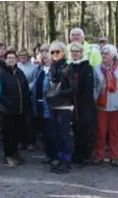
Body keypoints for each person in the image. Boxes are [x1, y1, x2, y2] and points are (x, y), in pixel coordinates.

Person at [93, 44, 118, 167]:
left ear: (113, 55)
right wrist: (95, 98)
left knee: (114, 131)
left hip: (116, 105)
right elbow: (94, 85)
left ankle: (114, 157)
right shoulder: (97, 68)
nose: (104, 55)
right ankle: (99, 156)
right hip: (101, 105)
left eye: (106, 53)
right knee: (101, 132)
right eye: (102, 53)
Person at [44, 41, 76, 174]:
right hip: (53, 105)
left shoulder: (68, 68)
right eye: (52, 52)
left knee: (64, 134)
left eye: (57, 51)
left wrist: (59, 93)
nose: (55, 54)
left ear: (63, 52)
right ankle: (59, 157)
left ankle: (67, 161)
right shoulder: (52, 68)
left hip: (65, 105)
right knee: (55, 134)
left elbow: (74, 88)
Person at [0, 50, 30, 166]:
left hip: (20, 110)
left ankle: (15, 153)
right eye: (8, 58)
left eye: (13, 57)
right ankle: (8, 155)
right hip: (8, 110)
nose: (11, 59)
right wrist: (5, 104)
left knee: (17, 133)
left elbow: (25, 89)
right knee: (8, 134)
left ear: (16, 59)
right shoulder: (2, 73)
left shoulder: (19, 72)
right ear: (5, 60)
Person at [68, 42, 95, 168]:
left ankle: (83, 156)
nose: (74, 53)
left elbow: (88, 89)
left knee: (84, 131)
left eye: (77, 51)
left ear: (81, 53)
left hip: (84, 105)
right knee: (76, 131)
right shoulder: (70, 67)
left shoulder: (87, 67)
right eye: (72, 51)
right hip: (72, 104)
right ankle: (77, 154)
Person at [31, 53, 52, 164]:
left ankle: (55, 156)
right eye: (44, 58)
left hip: (48, 106)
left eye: (48, 57)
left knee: (51, 132)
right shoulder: (40, 71)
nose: (46, 59)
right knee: (44, 132)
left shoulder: (53, 71)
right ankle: (49, 155)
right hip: (38, 105)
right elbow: (34, 85)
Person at [16, 48, 37, 151]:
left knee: (29, 121)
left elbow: (35, 80)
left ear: (28, 57)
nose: (22, 57)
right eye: (20, 56)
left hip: (29, 95)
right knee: (20, 120)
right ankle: (21, 141)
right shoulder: (16, 66)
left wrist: (27, 87)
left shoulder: (34, 67)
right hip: (18, 97)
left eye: (24, 56)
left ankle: (31, 142)